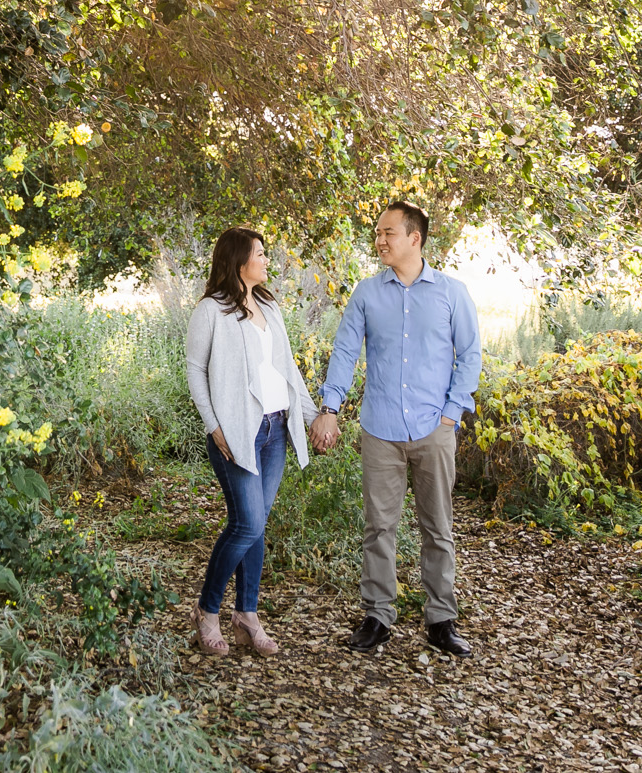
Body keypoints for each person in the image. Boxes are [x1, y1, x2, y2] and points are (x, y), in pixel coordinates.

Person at [310, 202, 483, 656]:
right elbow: (345, 352)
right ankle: (377, 617)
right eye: (378, 233)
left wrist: (451, 413)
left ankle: (441, 620)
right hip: (381, 429)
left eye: (388, 232)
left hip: (434, 430)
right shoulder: (367, 294)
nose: (380, 240)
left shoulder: (451, 293)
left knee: (438, 528)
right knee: (378, 528)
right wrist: (330, 407)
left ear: (414, 238)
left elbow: (470, 356)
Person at [184, 226, 314, 656]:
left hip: (275, 428)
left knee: (255, 526)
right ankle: (207, 611)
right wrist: (213, 425)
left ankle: (247, 614)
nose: (265, 260)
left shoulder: (268, 308)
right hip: (237, 432)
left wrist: (313, 416)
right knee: (247, 524)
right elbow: (195, 370)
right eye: (259, 253)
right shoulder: (211, 310)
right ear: (239, 260)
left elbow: (287, 369)